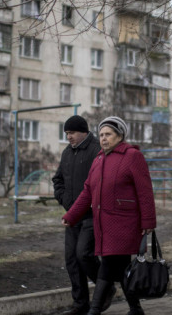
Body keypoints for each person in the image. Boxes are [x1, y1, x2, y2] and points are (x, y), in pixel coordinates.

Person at [62, 116, 156, 315]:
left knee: (108, 264)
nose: (104, 138)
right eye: (102, 134)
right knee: (120, 267)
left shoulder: (132, 156)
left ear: (120, 135)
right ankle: (135, 308)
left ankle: (94, 310)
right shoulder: (98, 159)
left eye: (109, 134)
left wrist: (148, 220)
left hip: (125, 223)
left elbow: (145, 191)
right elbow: (87, 191)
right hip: (104, 224)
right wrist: (71, 216)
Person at [53, 115, 111, 315]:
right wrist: (64, 200)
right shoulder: (67, 153)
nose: (69, 137)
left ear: (84, 132)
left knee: (84, 255)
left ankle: (105, 289)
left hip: (91, 215)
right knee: (72, 260)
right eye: (67, 133)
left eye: (72, 133)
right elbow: (57, 179)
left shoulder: (97, 150)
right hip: (72, 216)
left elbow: (103, 182)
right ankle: (80, 305)